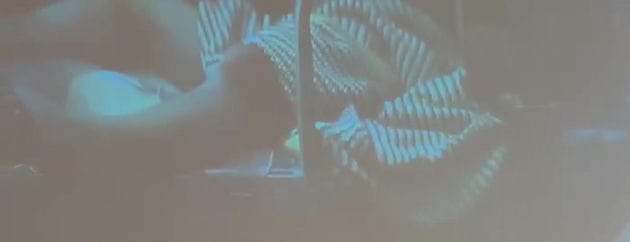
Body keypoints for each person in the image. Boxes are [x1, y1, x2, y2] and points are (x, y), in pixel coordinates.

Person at [1, 0, 507, 225]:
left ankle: (84, 142)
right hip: (276, 24)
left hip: (383, 35)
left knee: (272, 62)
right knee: (136, 8)